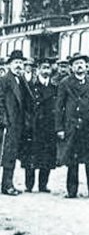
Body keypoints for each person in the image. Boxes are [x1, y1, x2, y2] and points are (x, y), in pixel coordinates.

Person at [54, 54, 89, 199]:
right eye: (76, 64)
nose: (80, 66)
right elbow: (59, 107)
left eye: (82, 63)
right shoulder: (65, 83)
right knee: (73, 160)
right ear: (71, 67)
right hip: (73, 126)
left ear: (86, 66)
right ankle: (72, 190)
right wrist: (60, 128)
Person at [21, 57, 58, 193]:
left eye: (48, 68)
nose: (46, 70)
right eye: (43, 67)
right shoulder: (30, 87)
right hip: (33, 126)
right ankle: (29, 185)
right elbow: (25, 107)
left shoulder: (54, 88)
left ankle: (43, 185)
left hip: (49, 126)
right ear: (38, 70)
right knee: (31, 156)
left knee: (47, 156)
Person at [0, 51, 31, 196]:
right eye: (16, 63)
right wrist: (4, 120)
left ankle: (8, 183)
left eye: (21, 63)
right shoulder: (5, 80)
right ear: (9, 65)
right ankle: (6, 186)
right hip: (9, 122)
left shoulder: (21, 80)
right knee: (8, 154)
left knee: (14, 154)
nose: (19, 65)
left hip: (20, 123)